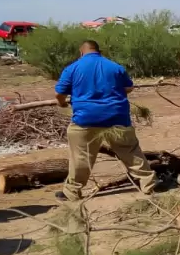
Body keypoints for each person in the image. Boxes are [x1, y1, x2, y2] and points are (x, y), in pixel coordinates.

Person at [54, 40, 157, 201]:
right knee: (130, 152)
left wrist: (62, 103)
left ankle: (72, 192)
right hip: (117, 117)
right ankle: (149, 185)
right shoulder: (115, 67)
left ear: (81, 52)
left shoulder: (72, 68)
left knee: (80, 157)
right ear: (99, 51)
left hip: (85, 119)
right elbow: (129, 87)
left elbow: (59, 93)